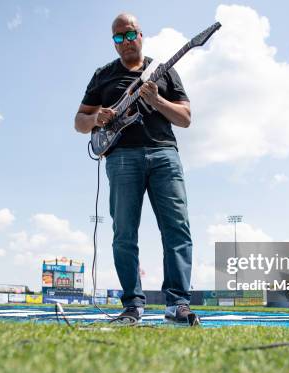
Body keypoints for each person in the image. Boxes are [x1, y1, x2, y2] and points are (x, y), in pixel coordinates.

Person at [74, 13, 199, 325]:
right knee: (124, 233)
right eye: (119, 37)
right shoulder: (102, 75)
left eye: (131, 34)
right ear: (114, 44)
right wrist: (96, 119)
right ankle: (132, 305)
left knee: (176, 229)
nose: (126, 41)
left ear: (141, 36)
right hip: (121, 158)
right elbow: (79, 122)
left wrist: (157, 101)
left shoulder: (163, 72)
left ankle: (177, 304)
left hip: (164, 154)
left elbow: (184, 118)